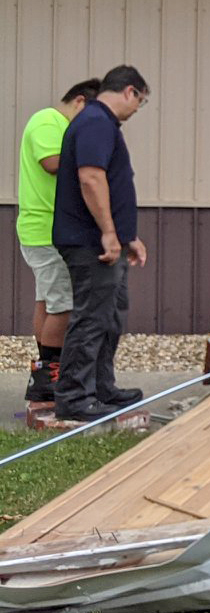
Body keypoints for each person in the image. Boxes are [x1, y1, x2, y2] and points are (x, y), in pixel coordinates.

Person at [51, 66, 150, 422]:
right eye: (141, 100)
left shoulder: (102, 123)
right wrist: (108, 233)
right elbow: (91, 178)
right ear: (129, 92)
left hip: (108, 241)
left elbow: (112, 183)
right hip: (90, 241)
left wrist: (128, 237)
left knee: (110, 314)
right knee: (92, 317)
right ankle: (75, 397)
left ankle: (101, 387)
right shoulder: (95, 120)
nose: (138, 109)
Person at [15, 78, 101, 402]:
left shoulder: (55, 124)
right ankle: (52, 372)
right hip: (48, 229)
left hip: (46, 228)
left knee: (48, 301)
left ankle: (43, 372)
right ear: (79, 102)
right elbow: (52, 163)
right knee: (64, 303)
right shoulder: (47, 120)